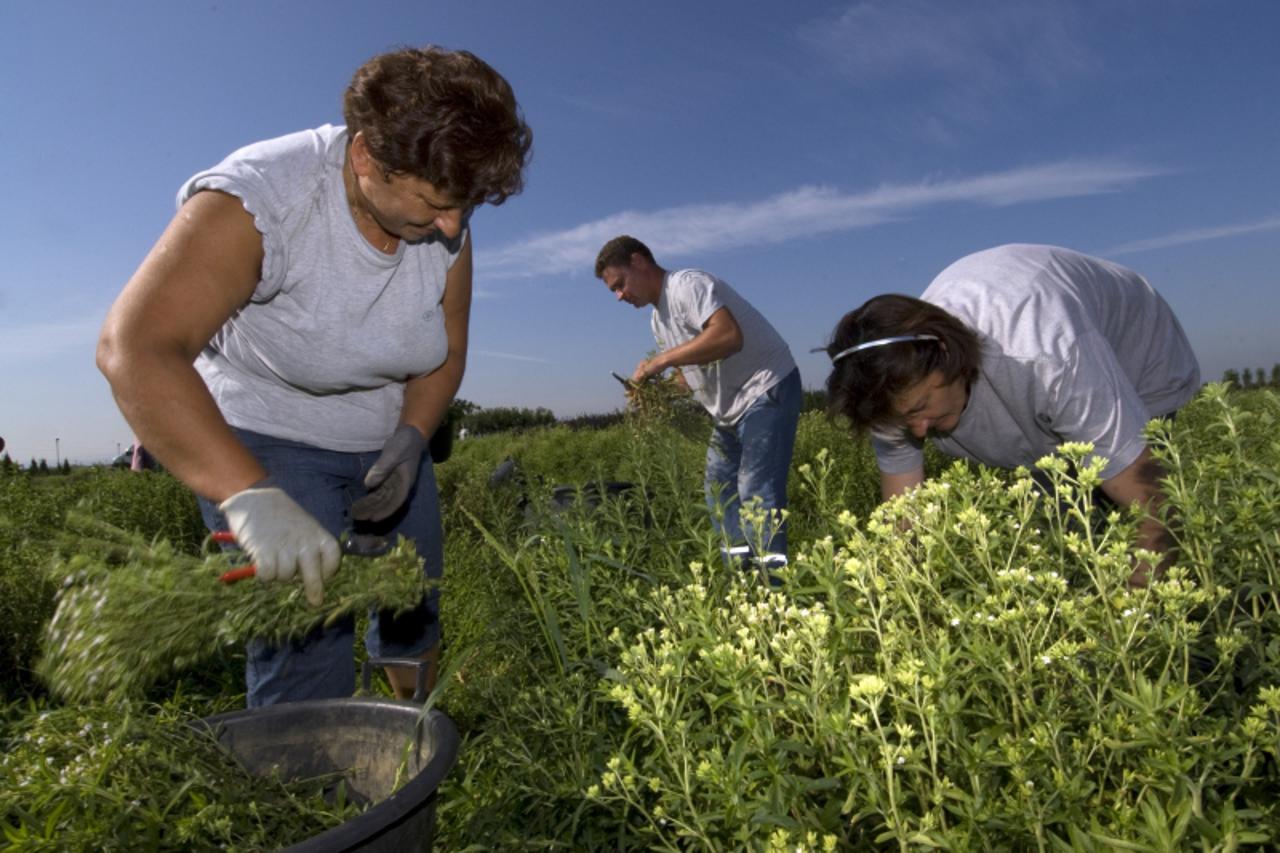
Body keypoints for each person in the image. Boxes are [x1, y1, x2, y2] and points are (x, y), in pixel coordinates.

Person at [97, 46, 532, 707]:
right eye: (437, 203)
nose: (453, 226)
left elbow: (446, 352)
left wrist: (413, 437)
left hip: (385, 435)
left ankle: (404, 739)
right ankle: (304, 794)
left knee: (413, 607)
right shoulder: (267, 198)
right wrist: (248, 494)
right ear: (366, 159)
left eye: (465, 207)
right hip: (268, 438)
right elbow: (135, 347)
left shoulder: (450, 224)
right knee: (307, 641)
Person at [821, 243, 1201, 587]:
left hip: (1138, 357)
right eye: (904, 420)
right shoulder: (891, 385)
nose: (918, 430)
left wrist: (1131, 624)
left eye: (922, 408)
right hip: (1038, 384)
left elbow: (1153, 504)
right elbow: (903, 515)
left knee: (1120, 516)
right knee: (1062, 535)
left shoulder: (1046, 357)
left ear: (950, 356)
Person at [594, 235, 802, 564]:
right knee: (718, 490)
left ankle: (772, 589)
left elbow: (728, 336)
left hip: (765, 387)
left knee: (756, 491)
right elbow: (690, 379)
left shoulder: (687, 286)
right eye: (614, 291)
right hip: (730, 410)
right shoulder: (657, 320)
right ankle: (742, 580)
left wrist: (661, 361)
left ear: (638, 261)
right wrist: (651, 393)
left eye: (619, 285)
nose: (620, 297)